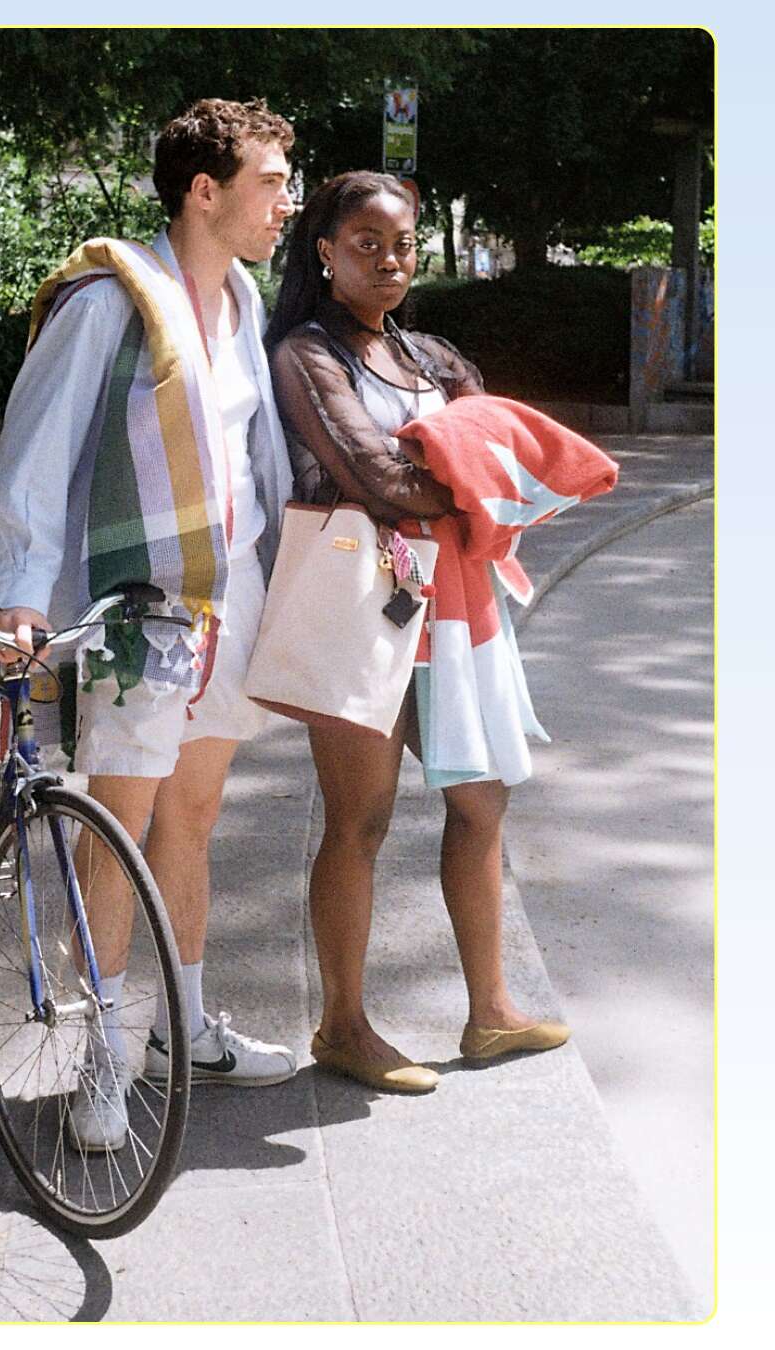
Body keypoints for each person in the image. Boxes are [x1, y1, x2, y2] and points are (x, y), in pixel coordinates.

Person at [0, 99, 299, 1149]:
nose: (285, 202)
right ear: (204, 191)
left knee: (194, 814)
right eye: (269, 181)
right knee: (114, 829)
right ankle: (103, 1055)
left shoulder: (241, 295)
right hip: (136, 605)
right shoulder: (111, 300)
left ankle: (184, 1028)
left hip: (229, 592)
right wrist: (25, 590)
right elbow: (37, 444)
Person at [265, 171, 570, 1094]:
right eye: (368, 242)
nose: (391, 259)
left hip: (460, 608)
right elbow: (374, 473)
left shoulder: (430, 355)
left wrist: (462, 473)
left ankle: (490, 1014)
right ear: (324, 251)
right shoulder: (305, 354)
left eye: (403, 243)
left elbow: (499, 445)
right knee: (360, 820)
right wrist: (462, 482)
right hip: (362, 601)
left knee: (481, 804)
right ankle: (343, 1026)